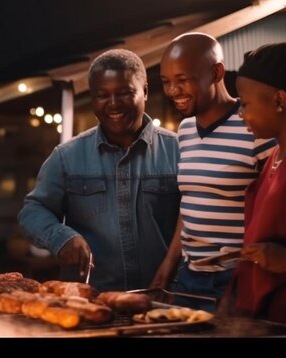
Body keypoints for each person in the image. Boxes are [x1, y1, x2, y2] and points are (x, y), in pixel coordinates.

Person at [18, 49, 180, 291]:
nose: (113, 104)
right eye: (102, 95)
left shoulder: (178, 151)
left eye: (124, 93)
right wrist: (62, 238)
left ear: (145, 91)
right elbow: (32, 211)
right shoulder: (66, 156)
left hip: (166, 301)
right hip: (90, 301)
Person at [153, 32, 276, 311]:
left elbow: (276, 211)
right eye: (166, 82)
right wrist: (168, 267)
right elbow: (191, 203)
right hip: (188, 278)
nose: (173, 91)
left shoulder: (257, 127)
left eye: (182, 80)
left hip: (236, 280)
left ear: (217, 72)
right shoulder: (184, 131)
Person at [228, 38, 286, 327]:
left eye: (245, 104)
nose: (241, 114)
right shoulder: (275, 153)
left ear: (279, 100)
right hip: (265, 317)